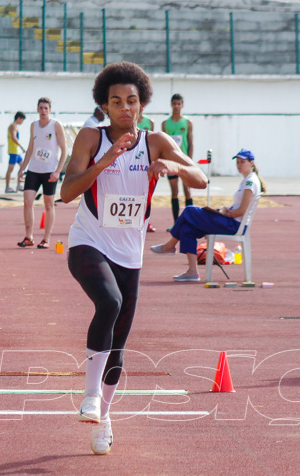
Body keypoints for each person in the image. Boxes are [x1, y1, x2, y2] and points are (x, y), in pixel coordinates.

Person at [61, 62, 207, 455]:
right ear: (104, 106)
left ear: (142, 104)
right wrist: (106, 159)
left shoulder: (155, 140)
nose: (125, 108)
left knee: (119, 345)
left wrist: (173, 165)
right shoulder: (91, 137)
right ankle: (90, 396)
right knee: (109, 301)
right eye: (116, 102)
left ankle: (102, 417)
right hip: (88, 241)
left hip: (130, 252)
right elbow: (67, 191)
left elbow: (201, 178)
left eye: (131, 100)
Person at [149, 149, 264, 282]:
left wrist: (226, 213)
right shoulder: (247, 181)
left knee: (190, 210)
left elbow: (242, 211)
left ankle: (170, 244)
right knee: (187, 229)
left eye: (242, 162)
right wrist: (224, 210)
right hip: (231, 221)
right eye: (237, 162)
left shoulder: (251, 182)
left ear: (251, 163)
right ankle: (192, 272)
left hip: (233, 224)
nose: (239, 165)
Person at [16, 97, 68, 248]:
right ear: (37, 110)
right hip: (34, 170)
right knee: (27, 202)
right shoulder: (33, 126)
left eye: (46, 108)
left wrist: (58, 171)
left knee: (48, 204)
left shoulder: (56, 125)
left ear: (50, 110)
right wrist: (22, 168)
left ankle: (46, 239)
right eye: (41, 108)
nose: (43, 111)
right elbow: (31, 148)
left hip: (50, 171)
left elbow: (65, 150)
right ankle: (28, 236)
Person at [162, 94, 194, 222]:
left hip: (184, 161)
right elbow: (163, 145)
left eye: (178, 104)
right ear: (171, 104)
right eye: (174, 104)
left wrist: (190, 162)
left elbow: (190, 143)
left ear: (182, 105)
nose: (176, 106)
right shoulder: (165, 124)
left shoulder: (187, 123)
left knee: (187, 191)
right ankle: (176, 223)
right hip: (171, 163)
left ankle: (191, 221)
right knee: (174, 192)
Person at [5, 111, 26, 193]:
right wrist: (22, 147)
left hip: (16, 152)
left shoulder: (15, 126)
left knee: (22, 166)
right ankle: (7, 187)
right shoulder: (13, 126)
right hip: (13, 151)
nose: (22, 122)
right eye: (22, 120)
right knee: (10, 169)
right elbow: (14, 138)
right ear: (19, 118)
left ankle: (19, 184)